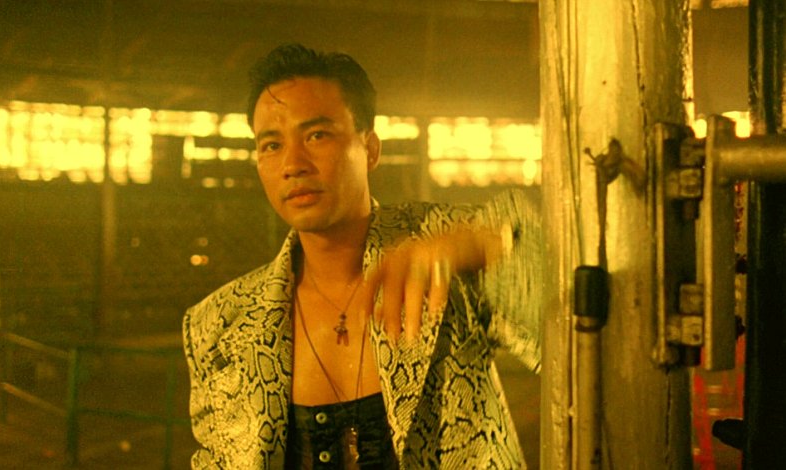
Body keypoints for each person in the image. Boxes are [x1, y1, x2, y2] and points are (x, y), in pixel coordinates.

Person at [183, 43, 541, 469]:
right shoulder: (220, 325)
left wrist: (488, 246)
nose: (293, 164)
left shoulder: (443, 249)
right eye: (271, 145)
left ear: (370, 149)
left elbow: (568, 316)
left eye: (317, 135)